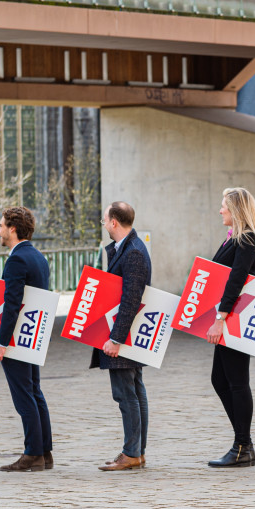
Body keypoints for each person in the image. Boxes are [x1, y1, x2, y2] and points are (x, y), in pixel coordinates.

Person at [0, 207, 53, 473]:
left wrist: (1, 344)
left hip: (17, 339)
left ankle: (32, 454)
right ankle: (45, 452)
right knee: (35, 393)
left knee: (24, 396)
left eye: (1, 225)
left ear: (13, 229)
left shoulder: (16, 260)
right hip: (32, 334)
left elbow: (12, 304)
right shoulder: (38, 256)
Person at [205, 187, 255, 468]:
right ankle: (243, 442)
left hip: (236, 320)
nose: (220, 211)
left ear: (236, 210)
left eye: (224, 207)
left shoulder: (247, 239)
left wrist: (220, 318)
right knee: (220, 380)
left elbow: (236, 280)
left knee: (238, 382)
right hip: (230, 320)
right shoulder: (235, 239)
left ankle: (243, 446)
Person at [93, 202, 152, 472]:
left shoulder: (134, 252)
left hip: (124, 338)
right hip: (125, 335)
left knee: (126, 394)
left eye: (105, 220)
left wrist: (116, 339)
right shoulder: (128, 249)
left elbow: (131, 299)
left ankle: (131, 453)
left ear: (114, 222)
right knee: (134, 392)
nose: (104, 224)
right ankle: (135, 452)